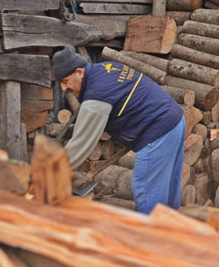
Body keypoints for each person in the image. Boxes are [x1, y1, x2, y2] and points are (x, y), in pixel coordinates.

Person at [52, 45, 185, 214]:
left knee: (146, 193)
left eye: (65, 82)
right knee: (167, 198)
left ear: (79, 72)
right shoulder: (105, 69)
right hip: (175, 121)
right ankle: (173, 233)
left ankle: (150, 238)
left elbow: (81, 142)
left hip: (158, 131)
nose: (63, 89)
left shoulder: (97, 95)